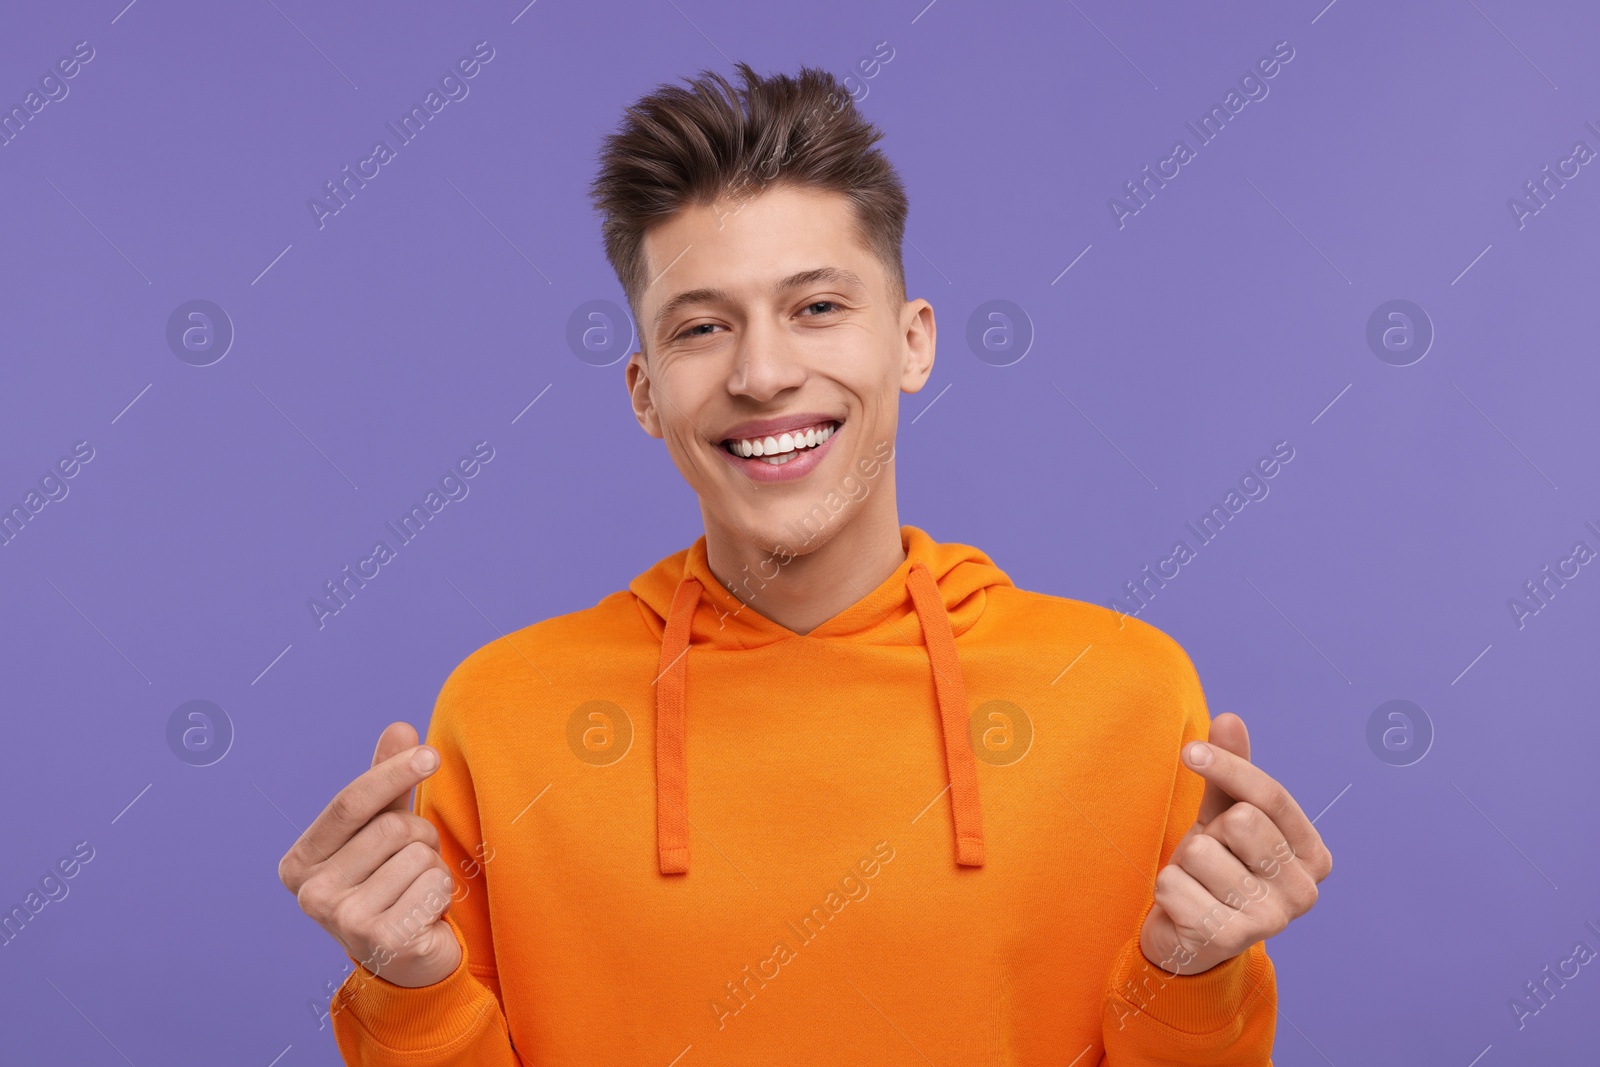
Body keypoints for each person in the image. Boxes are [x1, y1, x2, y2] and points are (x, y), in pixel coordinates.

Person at [277, 61, 1331, 1065]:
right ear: (645, 393)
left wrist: (1192, 974)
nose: (764, 371)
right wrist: (408, 988)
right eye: (701, 326)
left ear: (911, 342)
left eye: (817, 307)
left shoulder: (1125, 695)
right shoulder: (504, 711)